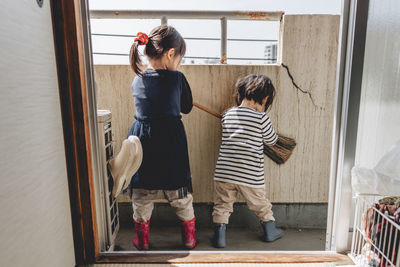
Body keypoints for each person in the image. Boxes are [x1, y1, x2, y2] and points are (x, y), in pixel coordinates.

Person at [128, 26, 196, 250]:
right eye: (180, 58)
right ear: (170, 54)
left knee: (143, 193)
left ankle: (143, 240)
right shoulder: (177, 78)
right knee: (179, 192)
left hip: (143, 139)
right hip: (170, 141)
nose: (179, 63)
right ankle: (188, 238)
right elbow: (186, 108)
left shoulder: (137, 79)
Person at [210, 74, 283, 248]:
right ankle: (270, 230)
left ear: (239, 94)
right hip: (250, 174)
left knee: (222, 205)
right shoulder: (261, 118)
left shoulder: (227, 115)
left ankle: (219, 236)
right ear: (265, 99)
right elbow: (271, 140)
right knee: (260, 204)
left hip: (225, 172)